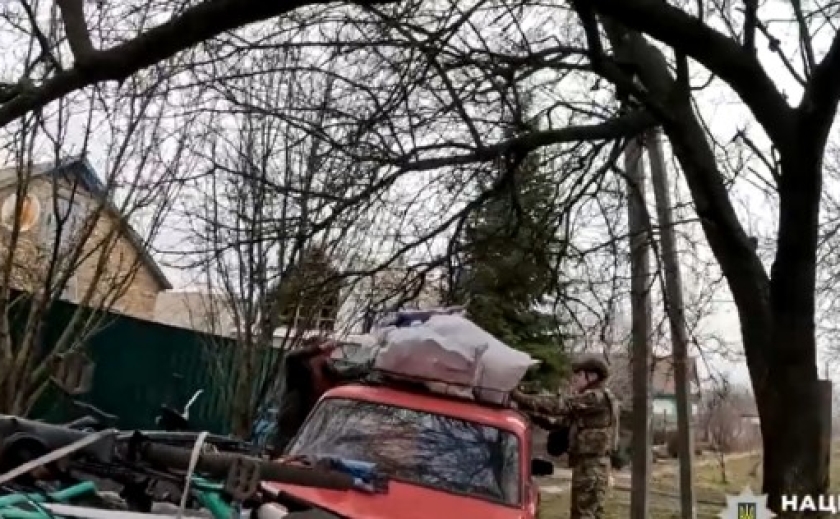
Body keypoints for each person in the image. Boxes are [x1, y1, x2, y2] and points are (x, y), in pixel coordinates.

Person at [510, 355, 617, 519]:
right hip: (588, 465)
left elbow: (560, 406)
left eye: (579, 375)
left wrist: (519, 397)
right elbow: (557, 423)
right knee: (583, 513)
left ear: (592, 376)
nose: (575, 379)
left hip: (593, 467)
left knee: (584, 515)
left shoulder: (596, 398)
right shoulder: (589, 404)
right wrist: (528, 413)